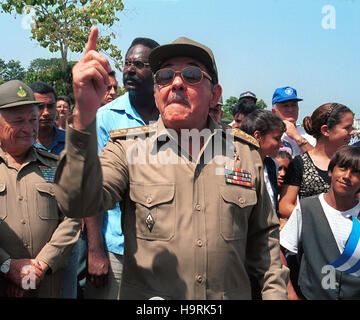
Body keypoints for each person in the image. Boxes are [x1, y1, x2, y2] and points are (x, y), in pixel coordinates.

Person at [54, 28, 289, 299]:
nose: (176, 84)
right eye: (165, 76)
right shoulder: (128, 148)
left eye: (191, 75)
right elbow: (78, 202)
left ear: (215, 94)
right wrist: (83, 116)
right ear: (156, 93)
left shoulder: (244, 153)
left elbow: (265, 243)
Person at [83, 37, 160, 300]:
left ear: (157, 71)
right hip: (117, 249)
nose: (129, 70)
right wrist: (95, 251)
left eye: (139, 64)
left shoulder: (172, 117)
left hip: (165, 250)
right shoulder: (105, 117)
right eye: (127, 63)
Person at [0, 80, 80, 298]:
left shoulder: (55, 165)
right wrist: (8, 267)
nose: (28, 128)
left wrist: (41, 266)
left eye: (32, 120)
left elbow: (72, 219)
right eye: (18, 121)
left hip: (47, 283)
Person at [280, 145, 360, 299]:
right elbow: (280, 251)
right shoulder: (307, 209)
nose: (347, 176)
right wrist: (290, 294)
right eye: (342, 168)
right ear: (331, 171)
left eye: (356, 172)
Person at [279, 103, 354, 219]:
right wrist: (319, 220)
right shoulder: (300, 163)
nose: (352, 132)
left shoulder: (353, 162)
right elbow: (284, 206)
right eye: (347, 128)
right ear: (325, 130)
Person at [240, 109, 286, 214]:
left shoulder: (272, 165)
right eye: (277, 139)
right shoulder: (238, 165)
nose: (281, 145)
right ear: (258, 136)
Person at [272, 86, 316, 157]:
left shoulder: (309, 135)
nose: (290, 109)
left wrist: (298, 138)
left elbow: (317, 161)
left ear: (298, 108)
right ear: (274, 111)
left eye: (294, 105)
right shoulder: (268, 134)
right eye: (285, 106)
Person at [29, 81, 66, 155]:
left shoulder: (71, 141)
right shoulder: (20, 144)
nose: (46, 113)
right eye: (39, 107)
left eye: (50, 106)